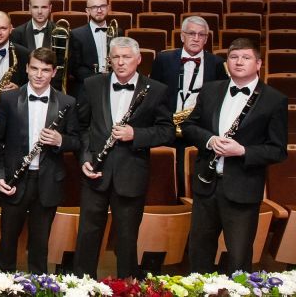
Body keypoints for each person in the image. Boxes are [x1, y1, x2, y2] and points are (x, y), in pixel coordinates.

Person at [182, 38, 287, 274]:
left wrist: (243, 151)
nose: (239, 62)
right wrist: (210, 140)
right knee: (199, 253)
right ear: (227, 62)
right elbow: (189, 126)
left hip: (243, 189)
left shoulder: (274, 99)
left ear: (258, 64)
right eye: (234, 57)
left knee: (239, 258)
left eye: (246, 57)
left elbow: (278, 150)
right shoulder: (210, 90)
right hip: (206, 186)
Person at [73, 36, 173, 279]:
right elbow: (81, 127)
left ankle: (127, 288)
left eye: (126, 57)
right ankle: (82, 286)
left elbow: (167, 131)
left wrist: (135, 134)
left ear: (138, 59)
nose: (120, 62)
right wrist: (85, 157)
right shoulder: (92, 84)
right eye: (115, 57)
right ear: (109, 59)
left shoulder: (156, 89)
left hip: (131, 174)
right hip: (95, 172)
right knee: (87, 236)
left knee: (127, 239)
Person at [0, 47, 79, 273]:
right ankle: (3, 285)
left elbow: (77, 141)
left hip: (48, 181)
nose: (39, 75)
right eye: (35, 69)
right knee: (7, 241)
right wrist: (0, 175)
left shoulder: (67, 102)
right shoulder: (8, 99)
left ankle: (39, 285)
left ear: (54, 72)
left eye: (45, 70)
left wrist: (60, 140)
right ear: (27, 69)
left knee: (40, 244)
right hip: (14, 180)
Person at [150, 15, 228, 195]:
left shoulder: (217, 63)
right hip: (169, 126)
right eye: (191, 33)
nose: (196, 38)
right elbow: (154, 93)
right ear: (182, 36)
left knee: (195, 178)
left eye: (202, 35)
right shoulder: (163, 59)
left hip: (199, 129)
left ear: (206, 39)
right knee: (165, 178)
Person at [69, 0, 113, 93]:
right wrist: (97, 80)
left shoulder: (117, 32)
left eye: (102, 6)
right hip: (87, 86)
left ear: (108, 8)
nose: (99, 10)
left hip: (112, 84)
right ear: (87, 11)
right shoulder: (76, 34)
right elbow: (75, 68)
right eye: (94, 7)